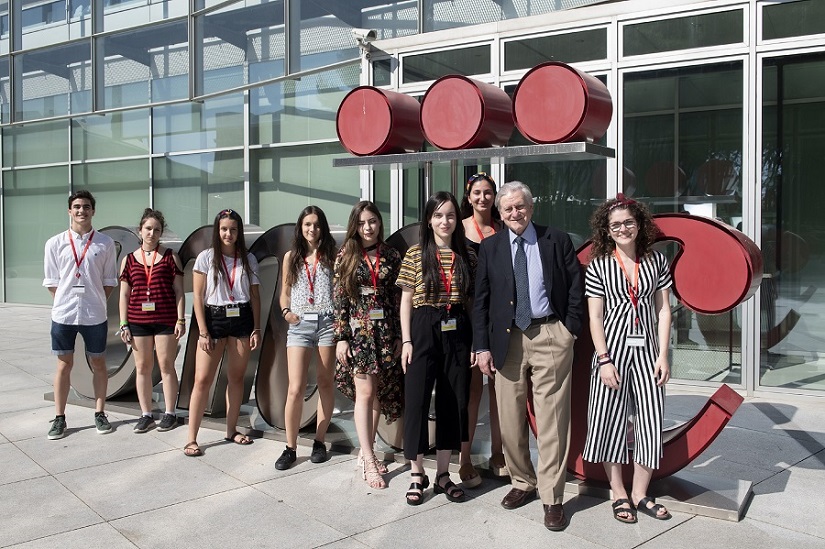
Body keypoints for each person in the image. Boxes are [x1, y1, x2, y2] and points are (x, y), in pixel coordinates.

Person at [473, 181, 584, 531]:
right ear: (500, 214)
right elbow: (481, 301)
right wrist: (482, 346)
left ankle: (553, 496)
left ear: (531, 208)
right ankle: (523, 481)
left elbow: (575, 288)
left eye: (520, 207)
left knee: (552, 420)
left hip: (550, 333)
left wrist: (569, 331)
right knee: (509, 418)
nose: (514, 213)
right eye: (507, 209)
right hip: (506, 341)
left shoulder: (557, 239)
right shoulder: (490, 248)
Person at [583, 194, 673, 523]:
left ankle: (640, 493)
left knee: (650, 422)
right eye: (616, 224)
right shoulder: (599, 265)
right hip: (613, 353)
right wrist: (604, 359)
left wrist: (663, 355)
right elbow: (595, 317)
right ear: (606, 230)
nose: (623, 229)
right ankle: (618, 492)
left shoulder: (656, 262)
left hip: (649, 352)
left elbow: (663, 311)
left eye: (628, 222)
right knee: (609, 421)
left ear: (639, 224)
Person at [398, 191, 475, 505]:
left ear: (457, 220)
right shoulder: (416, 254)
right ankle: (417, 473)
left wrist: (475, 343)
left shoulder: (465, 255)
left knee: (452, 401)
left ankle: (443, 474)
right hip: (423, 325)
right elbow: (405, 300)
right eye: (439, 215)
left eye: (451, 215)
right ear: (428, 220)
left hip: (456, 327)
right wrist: (406, 340)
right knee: (416, 400)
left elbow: (469, 302)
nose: (445, 221)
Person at [333, 201, 403, 489]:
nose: (368, 227)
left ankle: (366, 449)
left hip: (385, 332)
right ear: (355, 225)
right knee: (364, 392)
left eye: (372, 221)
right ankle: (370, 460)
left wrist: (400, 335)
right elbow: (339, 300)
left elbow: (399, 299)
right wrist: (340, 337)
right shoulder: (345, 256)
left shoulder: (392, 255)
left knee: (376, 394)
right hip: (359, 333)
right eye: (362, 223)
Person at [184, 209, 261, 457]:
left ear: (239, 232)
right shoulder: (206, 258)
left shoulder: (248, 259)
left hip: (241, 318)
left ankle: (231, 430)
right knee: (202, 380)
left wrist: (256, 328)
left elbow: (256, 297)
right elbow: (196, 296)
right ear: (217, 231)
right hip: (214, 319)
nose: (228, 233)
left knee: (236, 378)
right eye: (224, 229)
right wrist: (203, 331)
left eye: (233, 229)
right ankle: (191, 438)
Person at [43, 190, 118, 440]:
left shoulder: (105, 243)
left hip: (94, 315)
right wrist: (66, 300)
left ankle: (99, 413)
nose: (81, 211)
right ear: (69, 211)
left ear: (93, 211)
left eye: (86, 207)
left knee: (98, 363)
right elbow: (52, 282)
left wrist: (94, 301)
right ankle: (60, 418)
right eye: (76, 207)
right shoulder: (55, 243)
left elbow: (109, 280)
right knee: (64, 365)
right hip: (63, 314)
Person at [275, 206, 338, 470]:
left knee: (325, 383)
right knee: (295, 388)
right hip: (300, 325)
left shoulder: (332, 256)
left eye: (317, 224)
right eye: (307, 224)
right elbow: (285, 293)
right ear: (300, 227)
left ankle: (319, 441)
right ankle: (290, 447)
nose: (312, 229)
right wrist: (286, 312)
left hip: (326, 324)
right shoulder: (292, 257)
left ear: (323, 227)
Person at [118, 208, 186, 433]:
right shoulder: (128, 260)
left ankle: (170, 413)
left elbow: (179, 291)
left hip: (165, 320)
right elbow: (124, 295)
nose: (152, 233)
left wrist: (180, 320)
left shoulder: (170, 257)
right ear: (140, 230)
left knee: (166, 366)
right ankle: (146, 414)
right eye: (148, 228)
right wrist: (123, 323)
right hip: (138, 321)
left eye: (157, 230)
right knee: (143, 367)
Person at [458, 172, 506, 487]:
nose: (482, 198)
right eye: (477, 192)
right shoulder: (457, 230)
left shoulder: (503, 229)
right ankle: (464, 460)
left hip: (500, 318)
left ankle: (499, 454)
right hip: (466, 317)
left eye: (488, 193)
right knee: (472, 391)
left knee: (500, 390)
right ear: (469, 195)